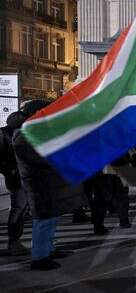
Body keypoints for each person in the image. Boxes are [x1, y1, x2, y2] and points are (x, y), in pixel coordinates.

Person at [13, 100, 88, 270]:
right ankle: (39, 257)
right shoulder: (24, 133)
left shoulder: (38, 131)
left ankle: (48, 249)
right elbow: (36, 157)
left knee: (51, 219)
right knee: (44, 220)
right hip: (39, 184)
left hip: (49, 183)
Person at [0, 110, 30, 255]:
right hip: (15, 179)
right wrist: (10, 170)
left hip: (25, 176)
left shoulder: (22, 133)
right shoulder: (3, 134)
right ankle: (13, 243)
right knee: (19, 208)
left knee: (22, 209)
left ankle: (15, 242)